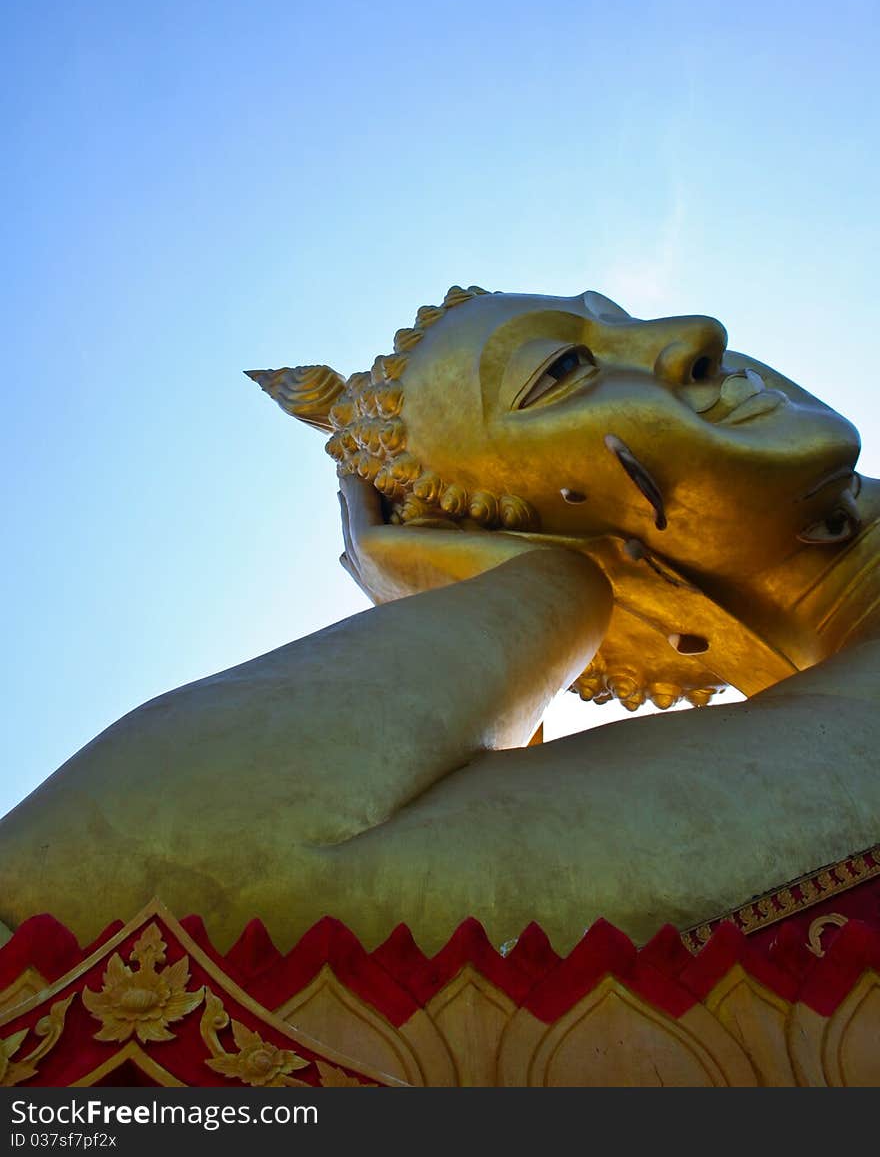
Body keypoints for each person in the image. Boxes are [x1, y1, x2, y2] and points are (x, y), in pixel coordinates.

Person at [1, 286, 878, 953]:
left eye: (617, 320)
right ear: (589, 545)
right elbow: (132, 881)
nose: (692, 338)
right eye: (562, 373)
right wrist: (536, 590)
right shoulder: (832, 745)